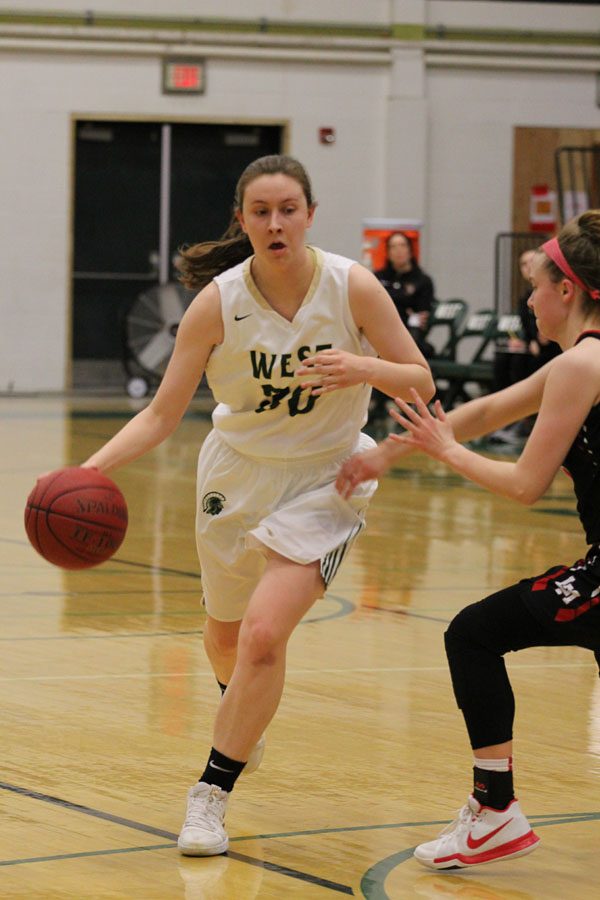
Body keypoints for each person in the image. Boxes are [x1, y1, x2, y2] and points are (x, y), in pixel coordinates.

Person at [75, 154, 435, 856]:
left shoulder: (351, 287)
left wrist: (365, 366)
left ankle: (209, 795)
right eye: (261, 211)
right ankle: (244, 716)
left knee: (265, 638)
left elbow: (418, 374)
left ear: (310, 214)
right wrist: (87, 470)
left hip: (330, 478)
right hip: (236, 475)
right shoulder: (218, 301)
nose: (276, 223)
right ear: (241, 220)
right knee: (226, 639)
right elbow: (159, 414)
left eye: (288, 209)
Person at [336, 209, 600, 870]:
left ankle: (494, 813)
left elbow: (523, 485)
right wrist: (389, 455)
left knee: (473, 634)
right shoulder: (579, 361)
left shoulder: (581, 367)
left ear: (567, 291)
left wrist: (446, 454)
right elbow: (485, 411)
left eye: (536, 284)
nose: (529, 298)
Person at [491, 248, 560, 443]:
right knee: (504, 359)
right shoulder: (525, 299)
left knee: (525, 362)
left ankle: (524, 419)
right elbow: (528, 329)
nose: (528, 266)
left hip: (553, 349)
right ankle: (509, 418)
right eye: (523, 263)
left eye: (532, 261)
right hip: (536, 347)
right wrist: (530, 341)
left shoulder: (552, 292)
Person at [369, 231, 436, 428]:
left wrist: (394, 299)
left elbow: (422, 316)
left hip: (411, 337)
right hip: (378, 336)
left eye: (402, 246)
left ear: (410, 250)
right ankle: (376, 406)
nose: (398, 251)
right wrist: (402, 301)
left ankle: (405, 407)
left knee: (407, 354)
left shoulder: (422, 280)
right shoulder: (377, 277)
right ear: (387, 252)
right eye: (393, 247)